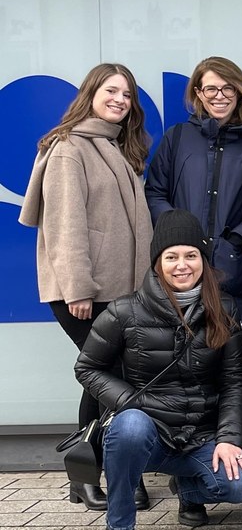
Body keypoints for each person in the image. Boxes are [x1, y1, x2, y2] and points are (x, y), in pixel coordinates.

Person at [18, 63, 154, 511]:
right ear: (90, 93)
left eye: (127, 94)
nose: (119, 99)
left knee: (107, 379)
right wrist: (78, 288)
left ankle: (100, 475)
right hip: (85, 292)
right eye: (110, 90)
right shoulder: (70, 147)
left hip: (118, 292)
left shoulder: (114, 147)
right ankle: (93, 475)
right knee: (106, 377)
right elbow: (65, 225)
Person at [74, 210, 242, 529]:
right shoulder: (124, 312)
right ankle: (119, 522)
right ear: (157, 262)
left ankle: (189, 490)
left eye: (191, 255)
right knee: (130, 426)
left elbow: (234, 382)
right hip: (145, 434)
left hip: (199, 434)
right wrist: (133, 403)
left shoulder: (224, 309)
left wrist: (228, 438)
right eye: (172, 256)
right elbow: (88, 368)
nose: (182, 265)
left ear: (203, 260)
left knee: (240, 484)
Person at [146, 56, 242, 330]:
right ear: (199, 93)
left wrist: (237, 240)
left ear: (239, 92)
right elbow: (154, 193)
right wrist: (180, 237)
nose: (219, 96)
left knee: (232, 354)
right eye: (211, 89)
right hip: (182, 269)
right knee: (182, 347)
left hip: (235, 268)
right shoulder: (177, 137)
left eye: (228, 88)